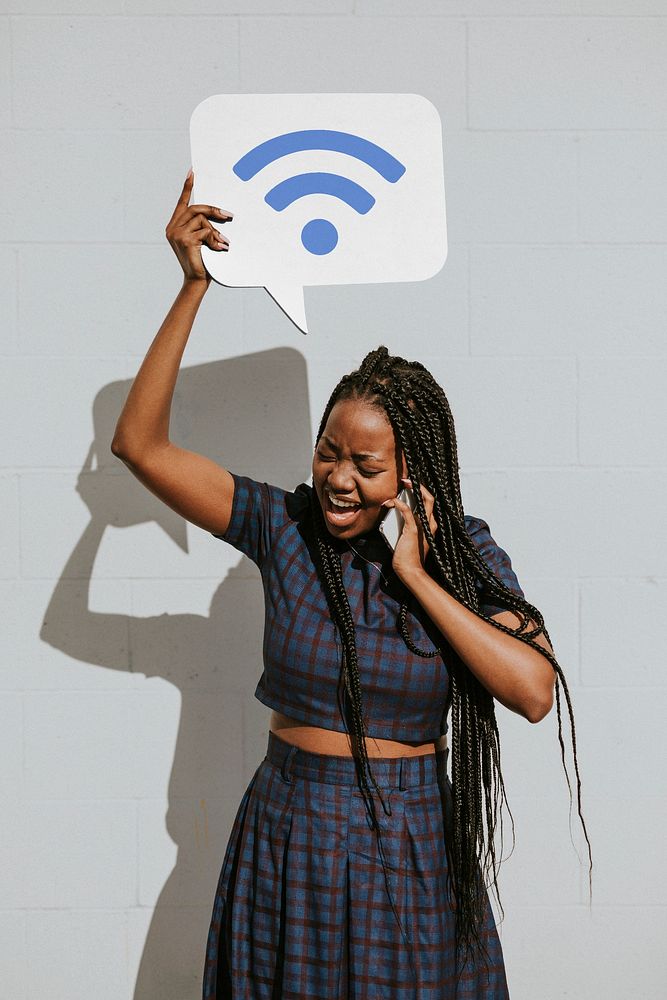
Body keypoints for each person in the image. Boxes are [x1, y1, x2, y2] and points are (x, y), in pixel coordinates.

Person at [111, 172, 589, 999]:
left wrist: (418, 576)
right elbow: (141, 447)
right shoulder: (281, 525)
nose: (337, 478)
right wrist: (193, 288)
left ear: (412, 470)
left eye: (366, 466)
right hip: (286, 828)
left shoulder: (461, 552)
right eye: (328, 452)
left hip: (406, 839)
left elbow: (533, 689)